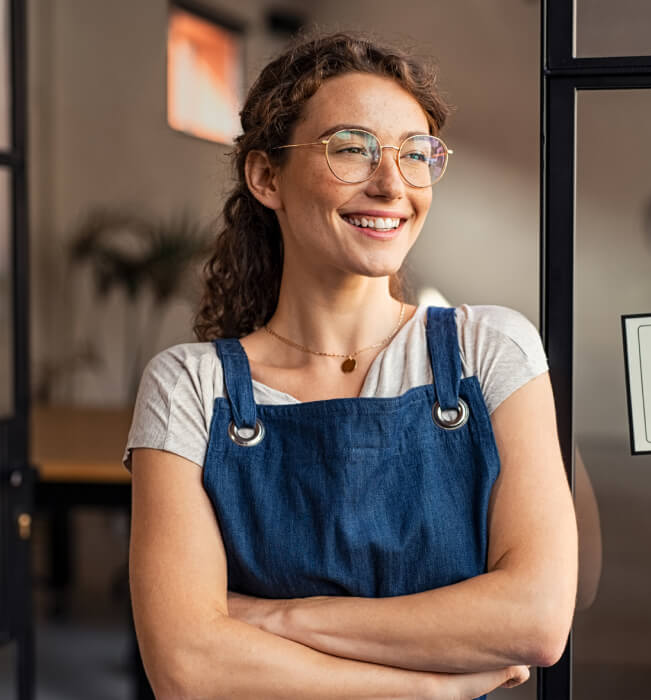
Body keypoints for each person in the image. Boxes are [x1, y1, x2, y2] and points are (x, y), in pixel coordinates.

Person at [124, 31, 578, 699]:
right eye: (350, 149)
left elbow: (535, 620)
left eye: (415, 154)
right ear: (265, 177)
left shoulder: (491, 352)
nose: (391, 184)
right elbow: (187, 669)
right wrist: (431, 690)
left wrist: (269, 619)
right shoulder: (190, 386)